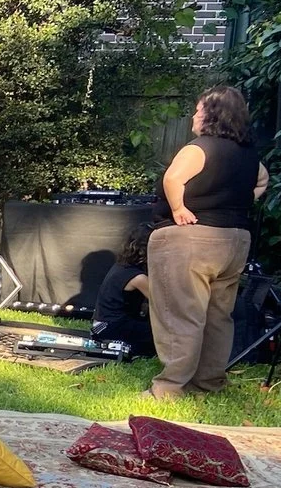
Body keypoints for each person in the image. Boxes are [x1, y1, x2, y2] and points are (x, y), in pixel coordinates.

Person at [145, 85, 269, 399]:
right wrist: (240, 203)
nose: (194, 114)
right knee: (218, 316)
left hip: (191, 240)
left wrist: (179, 209)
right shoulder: (248, 154)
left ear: (212, 114)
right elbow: (263, 180)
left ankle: (170, 388)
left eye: (198, 109)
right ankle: (209, 382)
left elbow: (173, 178)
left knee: (181, 313)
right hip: (234, 240)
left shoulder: (198, 148)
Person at [91, 224, 155, 359]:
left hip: (101, 325)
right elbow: (163, 304)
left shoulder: (121, 266)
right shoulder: (138, 278)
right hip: (110, 328)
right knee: (162, 336)